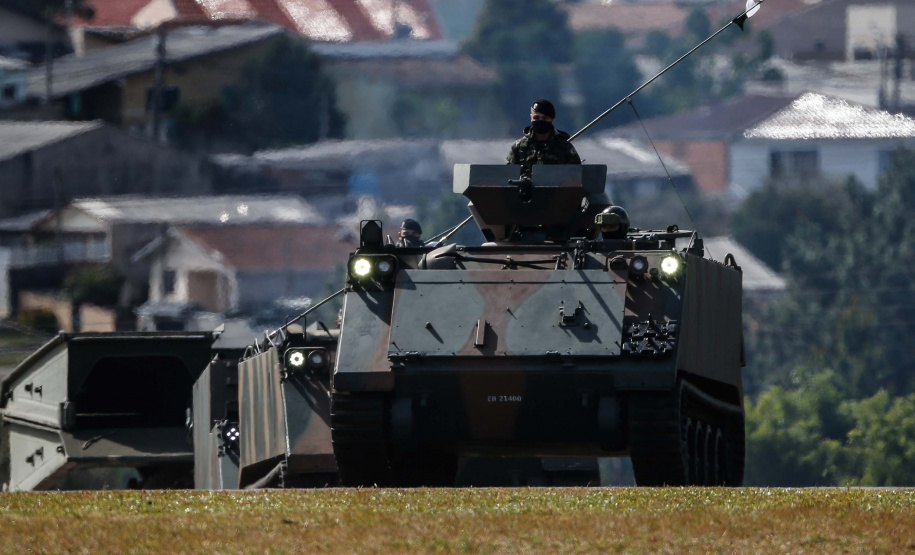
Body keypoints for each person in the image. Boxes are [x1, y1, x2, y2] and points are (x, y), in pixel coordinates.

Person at [507, 99, 582, 177]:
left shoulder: (564, 146)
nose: (540, 121)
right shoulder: (519, 147)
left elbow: (576, 176)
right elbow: (507, 175)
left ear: (552, 119)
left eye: (545, 118)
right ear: (531, 117)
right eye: (536, 117)